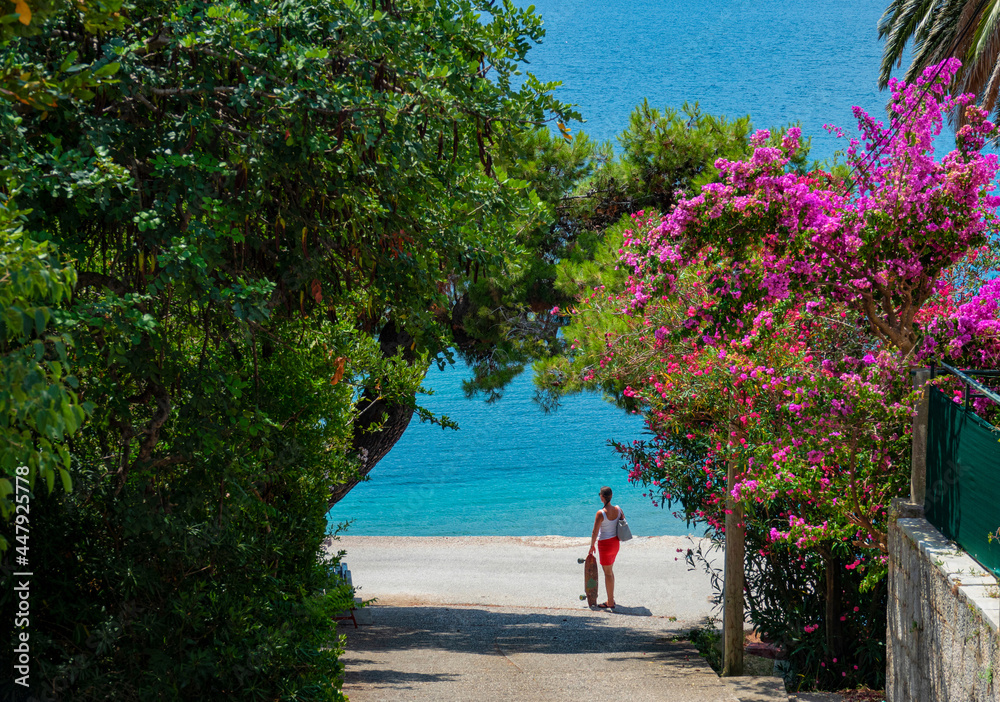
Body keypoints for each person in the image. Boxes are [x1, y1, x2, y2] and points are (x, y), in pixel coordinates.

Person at [588, 486, 622, 609]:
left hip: (605, 545)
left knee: (607, 573)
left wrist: (591, 546)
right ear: (611, 496)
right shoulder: (618, 509)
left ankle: (610, 602)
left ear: (602, 497)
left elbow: (594, 532)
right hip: (615, 543)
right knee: (610, 571)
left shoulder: (600, 513)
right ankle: (611, 598)